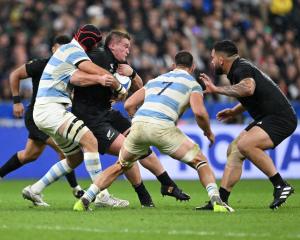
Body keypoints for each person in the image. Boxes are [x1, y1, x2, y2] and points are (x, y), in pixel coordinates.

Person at [73, 50, 234, 212]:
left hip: (139, 124)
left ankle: (86, 198)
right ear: (192, 68)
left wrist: (138, 120)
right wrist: (208, 132)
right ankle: (217, 201)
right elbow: (199, 113)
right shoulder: (193, 84)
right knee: (200, 161)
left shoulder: (156, 80)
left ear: (173, 66)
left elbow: (129, 104)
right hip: (162, 127)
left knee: (120, 166)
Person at [71, 30, 190, 207]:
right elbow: (73, 77)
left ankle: (162, 188)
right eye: (125, 46)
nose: (128, 51)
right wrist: (101, 79)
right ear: (112, 45)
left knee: (140, 143)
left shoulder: (120, 63)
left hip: (107, 112)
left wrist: (132, 73)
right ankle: (156, 191)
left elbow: (140, 87)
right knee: (131, 150)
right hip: (90, 117)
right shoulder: (98, 56)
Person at [22, 24, 129, 207]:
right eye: (95, 44)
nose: (96, 48)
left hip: (46, 111)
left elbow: (76, 78)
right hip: (52, 109)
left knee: (75, 157)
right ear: (89, 42)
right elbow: (93, 70)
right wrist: (117, 87)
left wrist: (99, 80)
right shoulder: (73, 50)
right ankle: (102, 195)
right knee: (91, 142)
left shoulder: (66, 52)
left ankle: (35, 189)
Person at [197, 40, 296, 210]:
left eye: (213, 58)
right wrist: (234, 111)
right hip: (268, 116)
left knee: (245, 144)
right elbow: (252, 94)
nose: (211, 62)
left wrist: (217, 89)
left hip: (280, 118)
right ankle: (221, 200)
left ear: (221, 60)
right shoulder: (239, 69)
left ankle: (280, 184)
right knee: (234, 149)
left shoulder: (240, 68)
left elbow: (248, 89)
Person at [0, 35, 84, 199]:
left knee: (29, 155)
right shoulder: (42, 64)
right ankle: (76, 190)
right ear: (53, 49)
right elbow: (14, 75)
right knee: (65, 149)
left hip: (52, 115)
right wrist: (16, 102)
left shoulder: (69, 70)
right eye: (60, 49)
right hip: (38, 115)